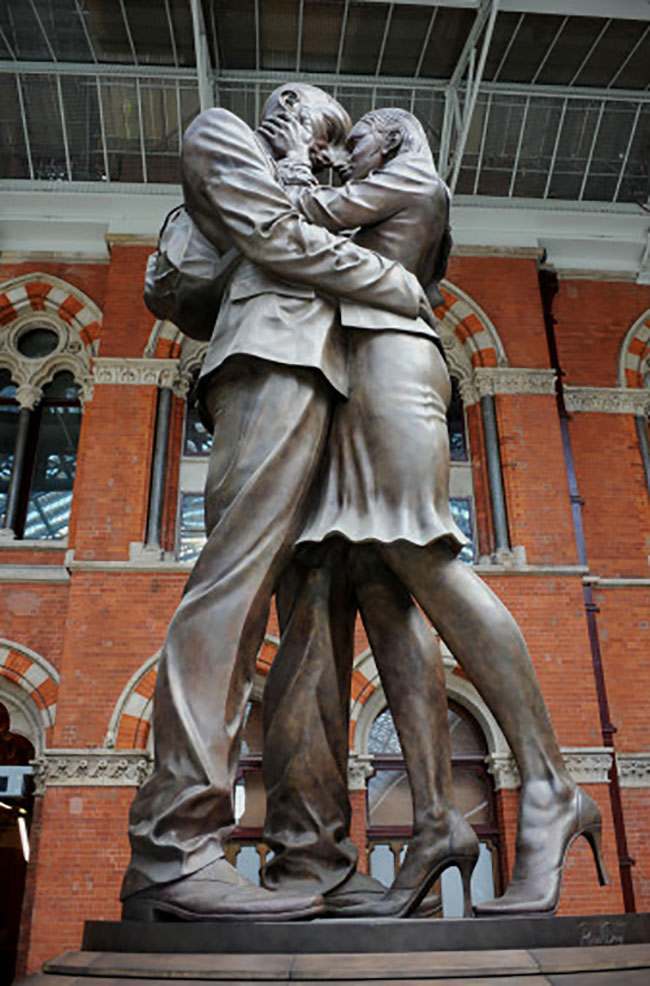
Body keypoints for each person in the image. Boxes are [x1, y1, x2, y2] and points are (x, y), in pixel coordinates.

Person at [261, 108, 608, 918]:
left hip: (392, 369)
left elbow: (296, 219)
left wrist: (291, 159)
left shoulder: (410, 178)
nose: (345, 156)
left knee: (423, 554)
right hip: (357, 376)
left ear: (391, 138)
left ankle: (552, 787)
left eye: (357, 142)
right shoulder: (384, 186)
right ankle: (434, 820)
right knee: (380, 586)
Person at [120, 86, 433, 923]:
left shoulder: (323, 191)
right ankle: (173, 848)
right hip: (265, 364)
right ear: (283, 115)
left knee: (318, 625)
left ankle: (315, 859)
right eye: (317, 128)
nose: (325, 149)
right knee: (232, 588)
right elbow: (264, 239)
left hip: (336, 387)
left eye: (336, 142)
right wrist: (387, 280)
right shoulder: (223, 138)